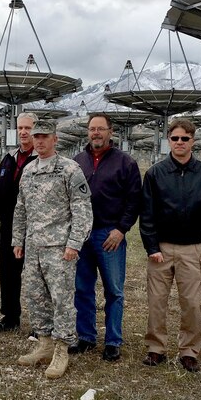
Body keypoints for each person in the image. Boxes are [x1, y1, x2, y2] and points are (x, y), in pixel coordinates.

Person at [139, 118, 201, 372]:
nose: (180, 143)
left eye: (185, 139)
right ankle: (156, 348)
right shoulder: (155, 173)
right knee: (157, 301)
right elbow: (147, 214)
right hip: (162, 249)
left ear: (193, 141)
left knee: (191, 302)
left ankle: (189, 350)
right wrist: (151, 247)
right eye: (175, 138)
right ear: (168, 140)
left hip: (194, 249)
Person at [13, 120, 92, 379]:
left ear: (55, 139)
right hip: (34, 246)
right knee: (36, 297)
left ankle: (61, 349)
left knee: (62, 301)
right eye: (36, 137)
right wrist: (18, 241)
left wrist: (74, 244)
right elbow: (21, 208)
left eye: (44, 137)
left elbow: (82, 210)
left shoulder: (69, 169)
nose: (39, 141)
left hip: (59, 249)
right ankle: (44, 343)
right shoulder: (29, 170)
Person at [71, 113, 142, 361]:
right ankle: (86, 337)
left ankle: (112, 340)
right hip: (82, 233)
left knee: (113, 290)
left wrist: (121, 229)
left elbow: (134, 201)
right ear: (88, 132)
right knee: (82, 288)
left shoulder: (126, 163)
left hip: (109, 234)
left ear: (111, 132)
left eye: (101, 129)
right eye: (92, 129)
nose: (96, 133)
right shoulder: (77, 161)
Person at [0, 112, 39, 333]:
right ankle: (10, 317)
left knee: (38, 276)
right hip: (8, 227)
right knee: (8, 274)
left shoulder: (41, 159)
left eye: (28, 128)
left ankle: (41, 323)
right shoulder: (9, 158)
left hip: (36, 229)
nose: (24, 132)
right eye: (20, 128)